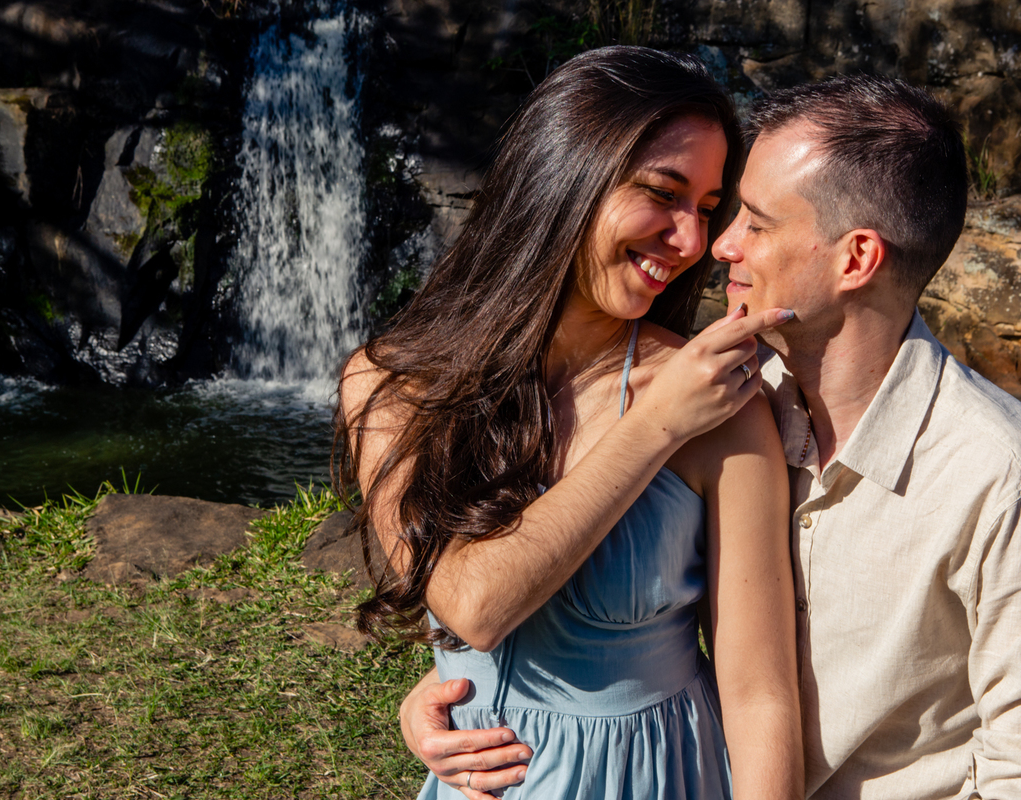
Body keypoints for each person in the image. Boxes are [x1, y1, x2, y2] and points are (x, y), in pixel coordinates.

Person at [400, 74, 1021, 799]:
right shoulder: (733, 396)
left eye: (754, 221)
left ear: (856, 258)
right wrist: (467, 685)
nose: (717, 245)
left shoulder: (1004, 480)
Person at [335, 47, 803, 799]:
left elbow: (759, 694)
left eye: (708, 209)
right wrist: (654, 426)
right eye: (663, 192)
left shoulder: (717, 403)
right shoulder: (387, 386)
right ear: (564, 176)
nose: (692, 243)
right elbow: (474, 606)